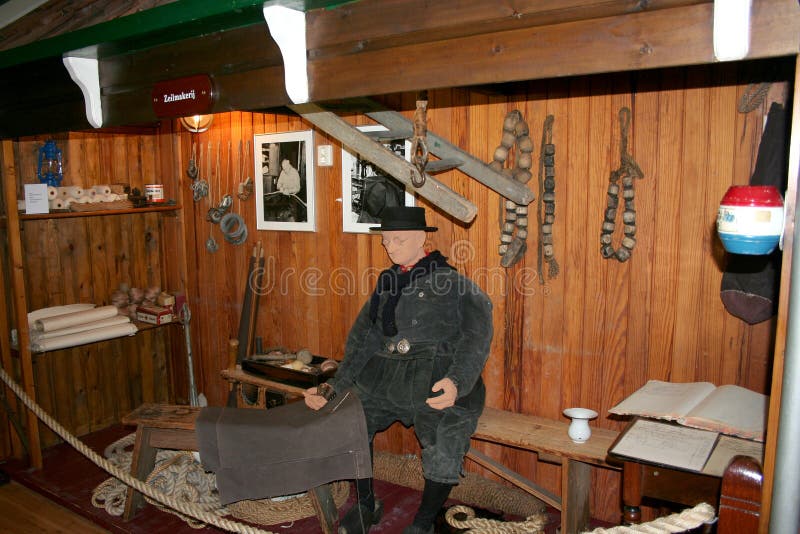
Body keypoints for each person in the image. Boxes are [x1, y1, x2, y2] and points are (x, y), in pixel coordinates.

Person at [304, 206, 493, 534]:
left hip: (436, 376)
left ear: (422, 238)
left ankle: (422, 523)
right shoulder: (387, 282)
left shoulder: (452, 283)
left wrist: (456, 382)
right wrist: (333, 387)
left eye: (398, 239)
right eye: (386, 240)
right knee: (352, 420)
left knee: (444, 439)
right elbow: (363, 339)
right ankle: (366, 504)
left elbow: (477, 335)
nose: (390, 247)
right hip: (386, 375)